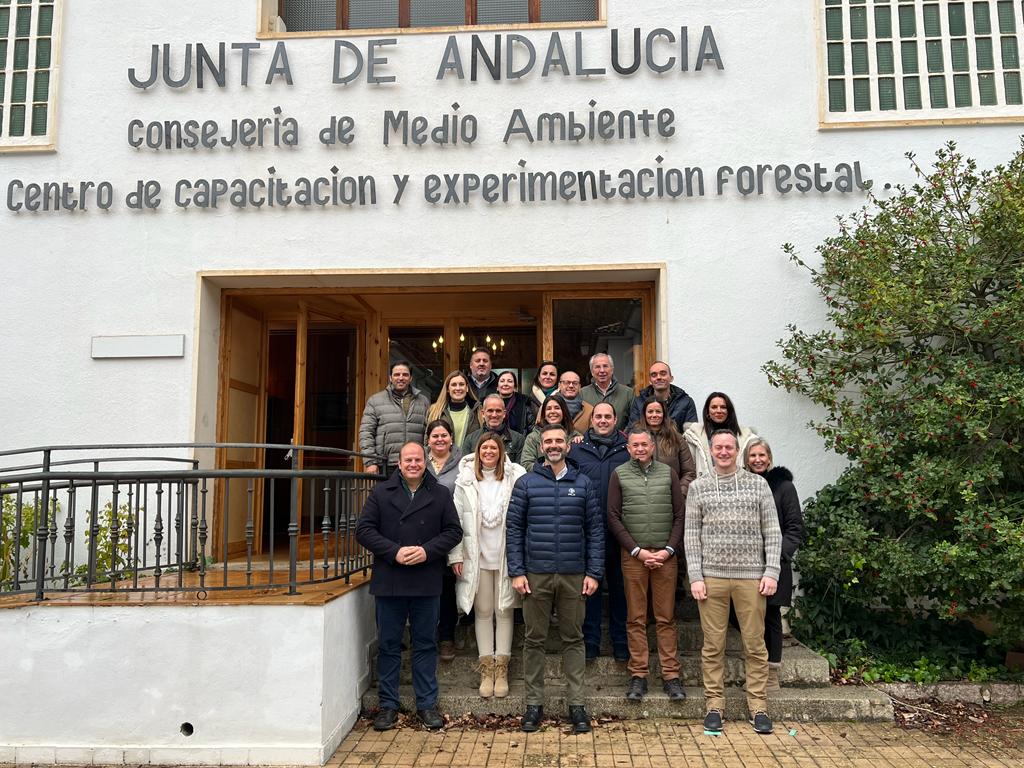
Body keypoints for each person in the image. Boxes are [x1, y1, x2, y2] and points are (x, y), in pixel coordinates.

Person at [355, 442, 464, 731]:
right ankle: (388, 706)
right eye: (408, 460)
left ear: (424, 462)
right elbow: (363, 530)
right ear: (399, 464)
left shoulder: (439, 493)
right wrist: (394, 551)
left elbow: (454, 531)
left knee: (425, 644)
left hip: (426, 579)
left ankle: (427, 705)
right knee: (389, 645)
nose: (413, 464)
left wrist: (427, 551)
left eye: (418, 460)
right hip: (390, 579)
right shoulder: (381, 492)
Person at [506, 424, 604, 734]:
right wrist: (517, 571)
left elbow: (595, 531)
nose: (553, 445)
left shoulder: (583, 483)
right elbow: (514, 530)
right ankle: (533, 705)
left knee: (573, 639)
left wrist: (594, 572)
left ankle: (577, 705)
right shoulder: (526, 483)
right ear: (541, 446)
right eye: (548, 441)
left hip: (574, 575)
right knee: (534, 639)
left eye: (559, 440)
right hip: (536, 574)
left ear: (568, 445)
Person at [685, 430, 782, 735]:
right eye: (719, 447)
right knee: (713, 646)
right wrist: (695, 576)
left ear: (737, 450)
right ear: (711, 451)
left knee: (754, 644)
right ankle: (714, 705)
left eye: (729, 447)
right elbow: (691, 535)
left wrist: (771, 571)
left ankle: (758, 707)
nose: (724, 452)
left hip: (751, 578)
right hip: (711, 578)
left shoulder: (758, 485)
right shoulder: (698, 487)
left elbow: (772, 531)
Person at [607, 428, 686, 702]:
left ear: (652, 447)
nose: (640, 449)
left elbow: (679, 515)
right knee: (636, 618)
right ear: (628, 448)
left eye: (644, 444)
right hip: (634, 557)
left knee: (665, 618)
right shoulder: (619, 474)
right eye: (635, 445)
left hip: (665, 557)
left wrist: (668, 550)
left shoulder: (668, 473)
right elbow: (613, 516)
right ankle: (638, 674)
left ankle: (671, 676)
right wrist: (637, 550)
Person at [448, 433, 527, 699]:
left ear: (501, 451)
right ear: (478, 451)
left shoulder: (515, 478)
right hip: (477, 555)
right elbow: (456, 520)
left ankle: (501, 669)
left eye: (494, 448)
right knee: (483, 611)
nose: (489, 452)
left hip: (506, 555)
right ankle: (486, 669)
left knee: (504, 610)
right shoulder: (465, 480)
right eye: (485, 448)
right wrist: (456, 555)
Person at [568, 403, 630, 662]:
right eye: (598, 416)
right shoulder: (577, 450)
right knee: (590, 587)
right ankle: (590, 641)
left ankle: (621, 641)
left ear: (615, 420)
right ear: (591, 420)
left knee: (620, 587)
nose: (603, 420)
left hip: (620, 530)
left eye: (608, 416)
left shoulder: (627, 450)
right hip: (588, 530)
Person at [744, 438, 803, 692]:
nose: (757, 460)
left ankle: (770, 674)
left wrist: (776, 557)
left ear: (769, 458)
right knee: (745, 616)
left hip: (775, 564)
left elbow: (794, 528)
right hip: (746, 564)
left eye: (762, 455)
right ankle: (755, 668)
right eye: (753, 455)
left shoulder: (784, 487)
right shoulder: (743, 485)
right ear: (746, 459)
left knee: (770, 616)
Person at [425, 419, 464, 663]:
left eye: (444, 435)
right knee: (424, 586)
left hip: (450, 531)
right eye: (435, 436)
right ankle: (425, 637)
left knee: (447, 586)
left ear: (451, 438)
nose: (440, 439)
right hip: (422, 531)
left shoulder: (463, 463)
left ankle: (447, 636)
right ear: (428, 439)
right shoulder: (420, 461)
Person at [359, 361, 431, 476]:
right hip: (386, 464)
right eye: (397, 374)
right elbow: (366, 433)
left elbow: (428, 433)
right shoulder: (375, 401)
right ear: (390, 378)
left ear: (411, 378)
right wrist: (370, 462)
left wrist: (426, 457)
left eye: (405, 375)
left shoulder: (423, 401)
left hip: (415, 464)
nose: (401, 378)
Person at [684, 392, 758, 477]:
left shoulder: (746, 437)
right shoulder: (694, 436)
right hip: (706, 484)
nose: (719, 411)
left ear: (729, 411)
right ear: (707, 411)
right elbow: (688, 470)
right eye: (714, 407)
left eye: (723, 407)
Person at [633, 398, 696, 497]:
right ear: (644, 414)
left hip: (672, 497)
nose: (654, 415)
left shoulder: (676, 438)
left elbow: (689, 472)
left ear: (664, 414)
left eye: (658, 411)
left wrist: (679, 493)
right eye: (650, 411)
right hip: (642, 497)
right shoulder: (636, 439)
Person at [627, 361, 698, 433]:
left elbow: (692, 434)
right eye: (654, 375)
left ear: (671, 378)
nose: (658, 377)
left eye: (663, 374)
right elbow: (632, 431)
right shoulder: (639, 402)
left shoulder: (686, 402)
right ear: (650, 381)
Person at [519, 393, 582, 469]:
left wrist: (580, 441)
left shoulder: (576, 436)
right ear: (544, 414)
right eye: (548, 409)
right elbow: (526, 464)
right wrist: (549, 469)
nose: (552, 411)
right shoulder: (533, 438)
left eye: (557, 408)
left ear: (564, 412)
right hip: (541, 476)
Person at [461, 394, 526, 464]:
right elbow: (465, 467)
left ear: (504, 414)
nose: (494, 415)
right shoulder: (471, 439)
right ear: (483, 413)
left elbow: (519, 468)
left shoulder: (518, 440)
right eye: (490, 411)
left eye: (498, 411)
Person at [581, 353, 635, 432]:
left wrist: (623, 436)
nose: (602, 370)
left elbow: (634, 420)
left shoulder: (628, 393)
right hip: (591, 439)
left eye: (605, 366)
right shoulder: (582, 394)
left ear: (612, 369)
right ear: (592, 371)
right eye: (597, 367)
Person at [427, 371, 476, 450]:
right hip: (442, 457)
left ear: (467, 388)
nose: (458, 388)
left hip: (469, 457)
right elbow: (427, 439)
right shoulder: (435, 411)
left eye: (461, 384)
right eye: (453, 385)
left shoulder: (476, 411)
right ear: (447, 389)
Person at [496, 370, 532, 435]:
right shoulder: (489, 402)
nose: (505, 384)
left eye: (509, 381)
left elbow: (531, 427)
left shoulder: (524, 402)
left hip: (520, 439)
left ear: (515, 387)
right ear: (497, 387)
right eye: (502, 381)